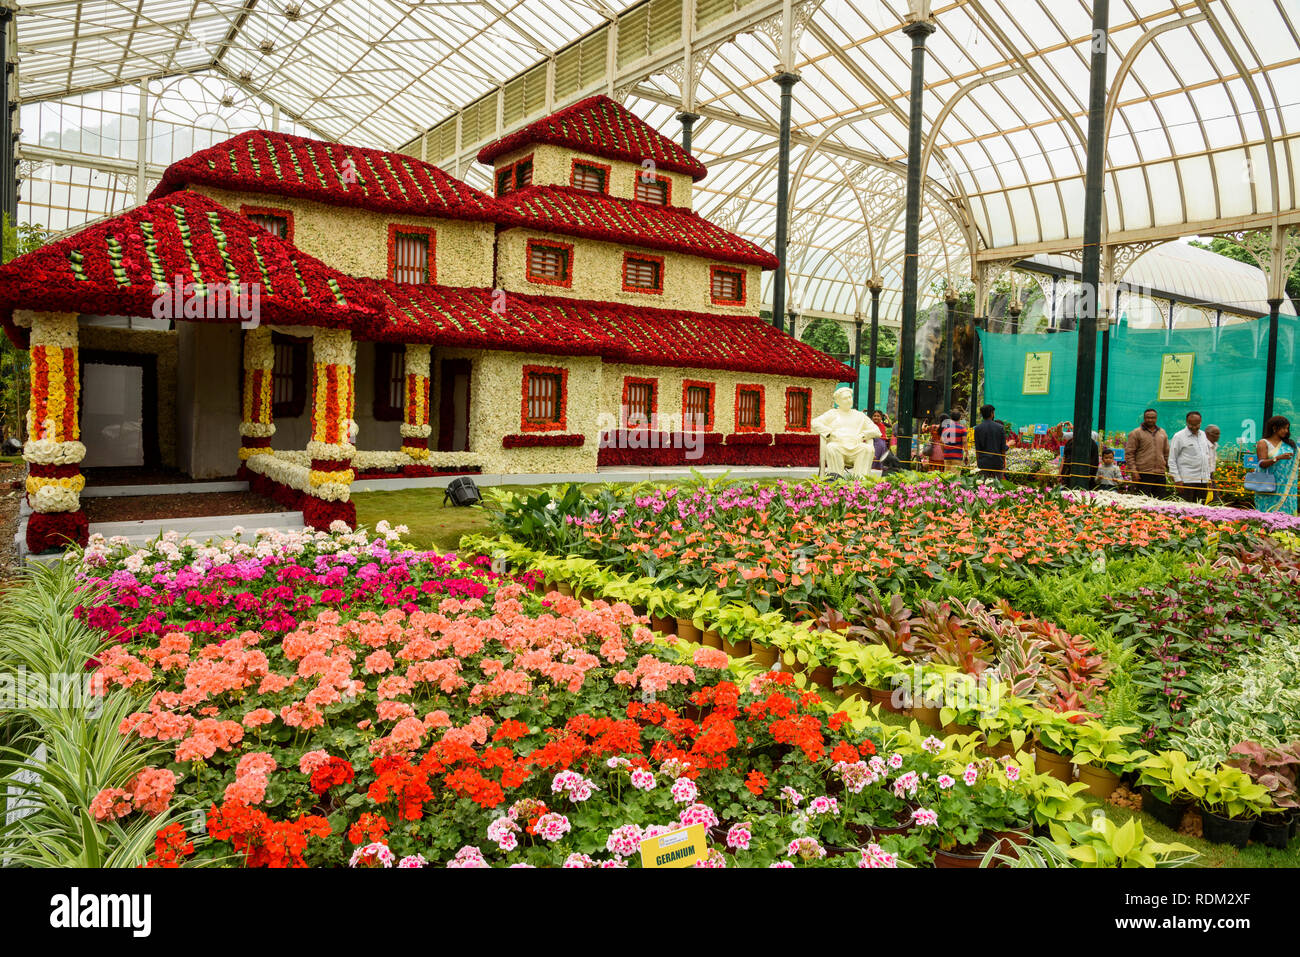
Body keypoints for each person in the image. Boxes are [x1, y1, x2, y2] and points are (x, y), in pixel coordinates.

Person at [1255, 415, 1298, 516]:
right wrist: (1278, 458)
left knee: (1286, 517)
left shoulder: (1289, 444)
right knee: (1266, 516)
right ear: (1274, 428)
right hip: (1268, 486)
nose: (1286, 431)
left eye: (1287, 428)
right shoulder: (1263, 443)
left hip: (1285, 488)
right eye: (1283, 428)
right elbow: (1262, 463)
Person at [1124, 408, 1170, 497]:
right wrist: (1134, 471)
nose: (1150, 420)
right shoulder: (1135, 433)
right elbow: (1129, 454)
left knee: (1160, 501)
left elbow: (1166, 453)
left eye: (1153, 418)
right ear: (1144, 418)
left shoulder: (1162, 432)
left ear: (1156, 418)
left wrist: (1171, 471)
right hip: (1143, 474)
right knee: (1143, 500)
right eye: (1147, 417)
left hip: (1160, 473)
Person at [1169, 411, 1212, 503]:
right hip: (1186, 481)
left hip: (1202, 481)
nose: (1194, 427)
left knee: (1200, 509)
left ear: (1201, 422)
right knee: (1185, 509)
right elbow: (1172, 459)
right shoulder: (1179, 436)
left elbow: (1206, 456)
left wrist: (1208, 479)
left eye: (1197, 424)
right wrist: (1177, 480)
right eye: (1191, 424)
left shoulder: (1203, 435)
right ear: (1186, 422)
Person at [973, 404, 1007, 478]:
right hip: (997, 462)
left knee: (983, 486)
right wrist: (1003, 461)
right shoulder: (1000, 428)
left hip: (983, 462)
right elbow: (1003, 448)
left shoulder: (978, 429)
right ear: (992, 414)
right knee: (998, 485)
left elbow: (977, 448)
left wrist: (978, 462)